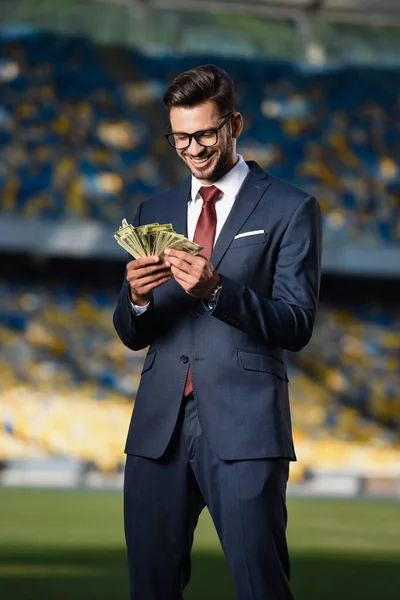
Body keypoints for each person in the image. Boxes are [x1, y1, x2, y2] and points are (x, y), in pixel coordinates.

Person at [113, 64, 322, 600]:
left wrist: (216, 290)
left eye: (205, 133)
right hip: (157, 430)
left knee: (261, 587)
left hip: (246, 427)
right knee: (149, 589)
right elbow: (133, 334)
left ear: (235, 124)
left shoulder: (290, 207)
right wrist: (136, 299)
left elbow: (296, 325)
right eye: (180, 137)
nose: (193, 148)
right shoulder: (153, 210)